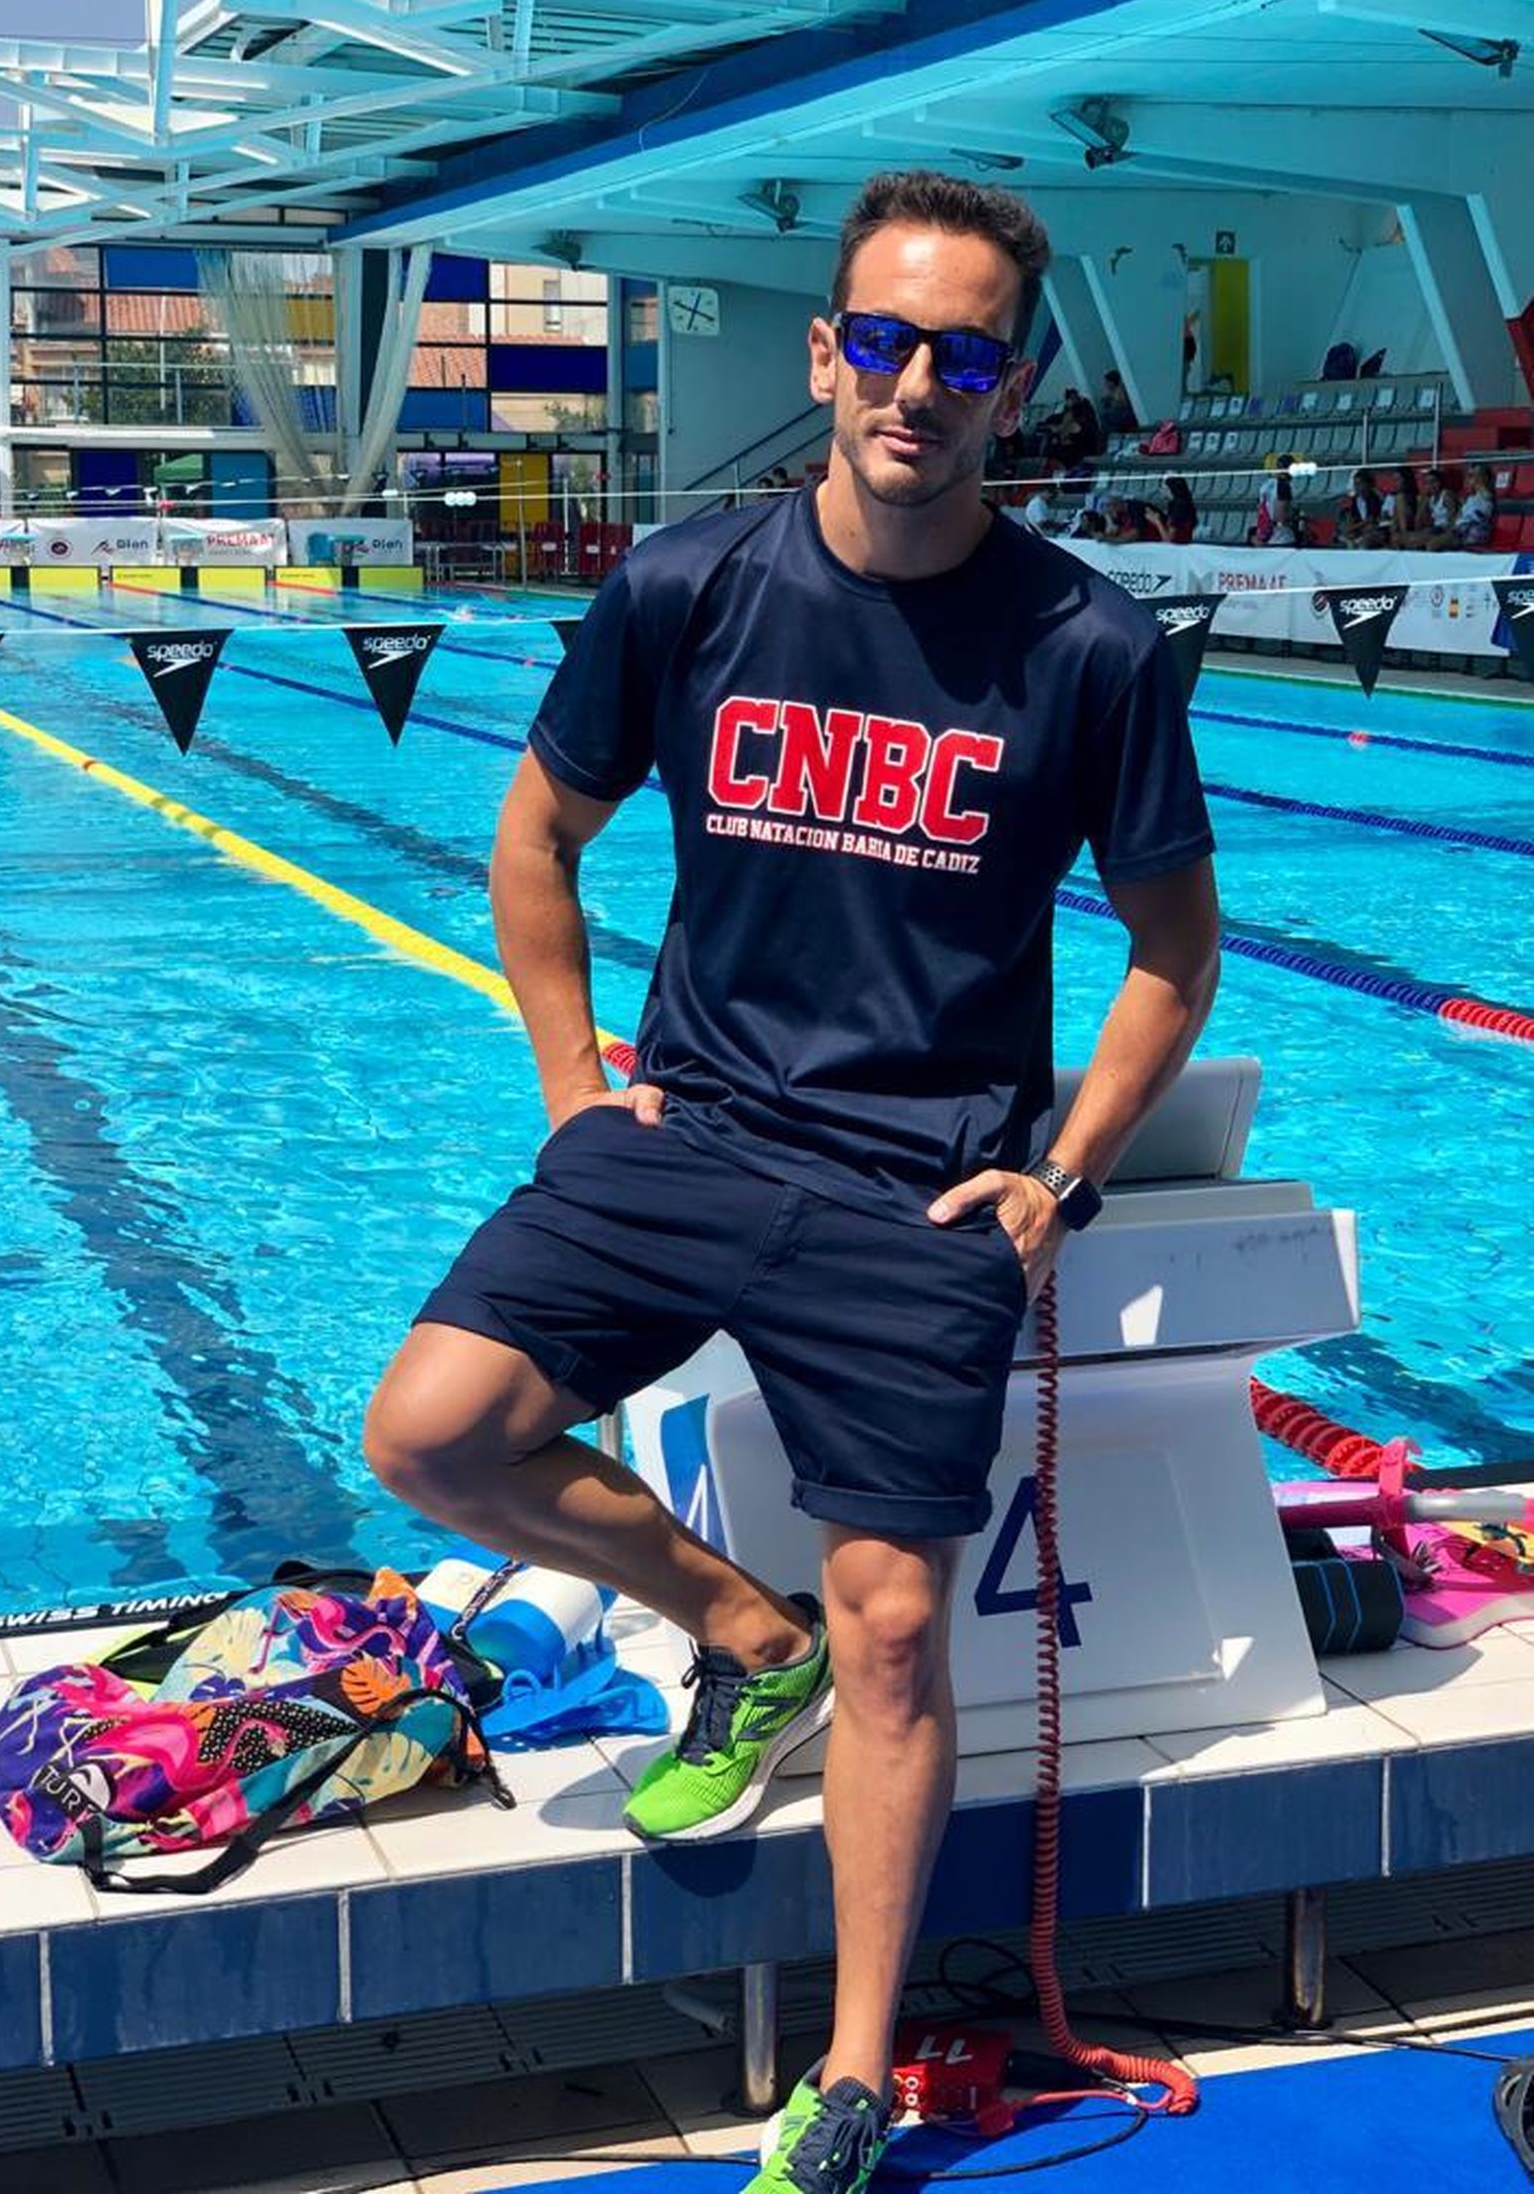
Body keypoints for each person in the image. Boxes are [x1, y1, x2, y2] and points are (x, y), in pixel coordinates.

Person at [363, 168, 1219, 2193]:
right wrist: (574, 1089)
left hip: (921, 1189)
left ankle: (844, 2076)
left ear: (1015, 386)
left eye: (965, 355)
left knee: (900, 1623)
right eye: (886, 340)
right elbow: (533, 837)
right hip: (692, 1128)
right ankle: (747, 1640)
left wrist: (1059, 1176)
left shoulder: (1089, 647)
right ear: (828, 350)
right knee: (429, 1433)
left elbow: (1173, 954)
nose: (918, 384)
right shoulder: (685, 585)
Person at [1401, 465, 1458, 550]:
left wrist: (1445, 531)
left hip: (1444, 529)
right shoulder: (1430, 499)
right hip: (1435, 528)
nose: (1431, 485)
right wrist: (1423, 499)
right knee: (1407, 538)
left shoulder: (1446, 495)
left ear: (1440, 482)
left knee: (1417, 541)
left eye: (1433, 482)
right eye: (1427, 483)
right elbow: (1420, 521)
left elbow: (1453, 518)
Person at [1337, 467, 1385, 549]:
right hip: (1358, 532)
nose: (1357, 487)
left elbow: (1372, 520)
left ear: (1368, 485)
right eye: (1355, 484)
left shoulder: (1376, 500)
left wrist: (1357, 527)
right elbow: (1350, 522)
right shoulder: (1354, 501)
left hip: (1373, 532)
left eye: (1359, 484)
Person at [1455, 462, 1497, 551]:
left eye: (1474, 475)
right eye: (1470, 475)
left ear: (1484, 477)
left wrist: (1477, 482)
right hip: (1460, 529)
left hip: (1474, 530)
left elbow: (1486, 494)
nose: (1470, 478)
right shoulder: (1469, 497)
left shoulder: (1486, 494)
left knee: (1435, 544)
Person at [1380, 464, 1419, 546]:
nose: (1395, 483)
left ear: (1406, 480)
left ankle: (1403, 538)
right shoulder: (1393, 496)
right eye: (1394, 480)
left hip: (1408, 529)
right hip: (1392, 527)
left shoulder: (1416, 498)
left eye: (1398, 480)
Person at [1155, 474, 1197, 545]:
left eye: (1165, 489)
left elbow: (1168, 540)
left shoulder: (1179, 508)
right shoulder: (1185, 505)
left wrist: (1157, 521)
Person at [1100, 367, 1137, 433]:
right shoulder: (1112, 391)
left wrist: (1112, 400)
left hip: (1126, 414)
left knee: (1105, 416)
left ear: (1112, 382)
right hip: (1120, 414)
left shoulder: (1121, 390)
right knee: (1105, 415)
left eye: (1107, 382)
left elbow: (1124, 404)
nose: (1106, 384)